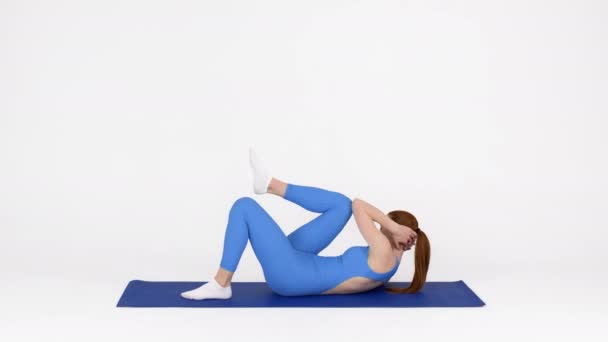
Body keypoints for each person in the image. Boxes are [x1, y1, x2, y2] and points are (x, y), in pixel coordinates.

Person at [181, 148, 431, 300]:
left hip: (291, 275)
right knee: (339, 205)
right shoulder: (392, 260)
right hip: (302, 262)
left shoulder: (385, 250)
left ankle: (221, 283)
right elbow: (351, 206)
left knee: (243, 207)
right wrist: (395, 229)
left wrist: (393, 226)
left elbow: (359, 205)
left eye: (385, 224)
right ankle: (270, 184)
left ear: (395, 230)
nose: (380, 225)